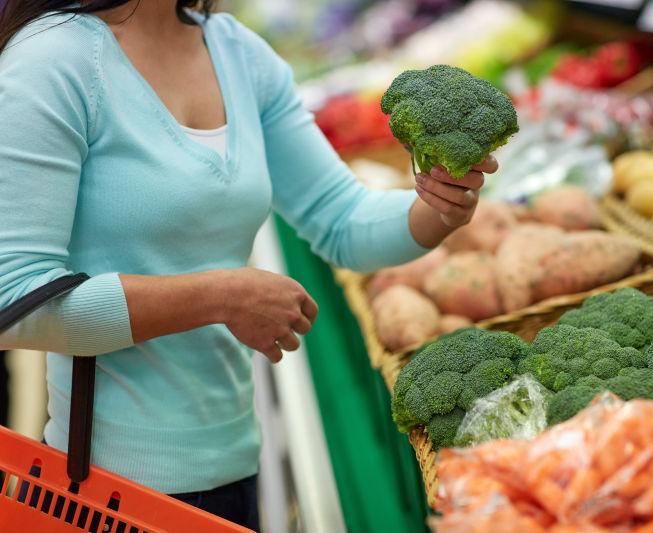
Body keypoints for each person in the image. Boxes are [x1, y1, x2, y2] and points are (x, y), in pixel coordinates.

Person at [0, 1, 498, 529]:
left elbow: (341, 219)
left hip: (234, 467)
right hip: (107, 492)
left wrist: (439, 207)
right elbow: (14, 302)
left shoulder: (236, 52)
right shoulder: (55, 58)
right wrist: (219, 297)